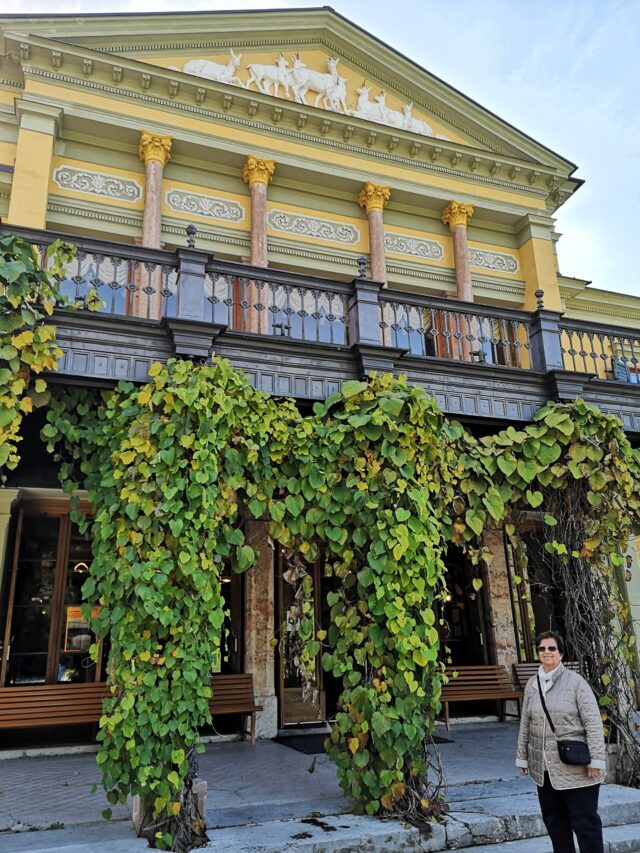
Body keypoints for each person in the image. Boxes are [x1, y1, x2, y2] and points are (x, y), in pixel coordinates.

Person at [516, 630, 606, 853]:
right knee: (555, 823)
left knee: (585, 823)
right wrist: (522, 757)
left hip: (576, 768)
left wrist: (596, 760)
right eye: (542, 648)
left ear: (561, 654)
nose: (547, 652)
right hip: (544, 768)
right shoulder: (532, 685)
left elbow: (593, 723)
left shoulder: (576, 683)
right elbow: (525, 723)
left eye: (552, 648)